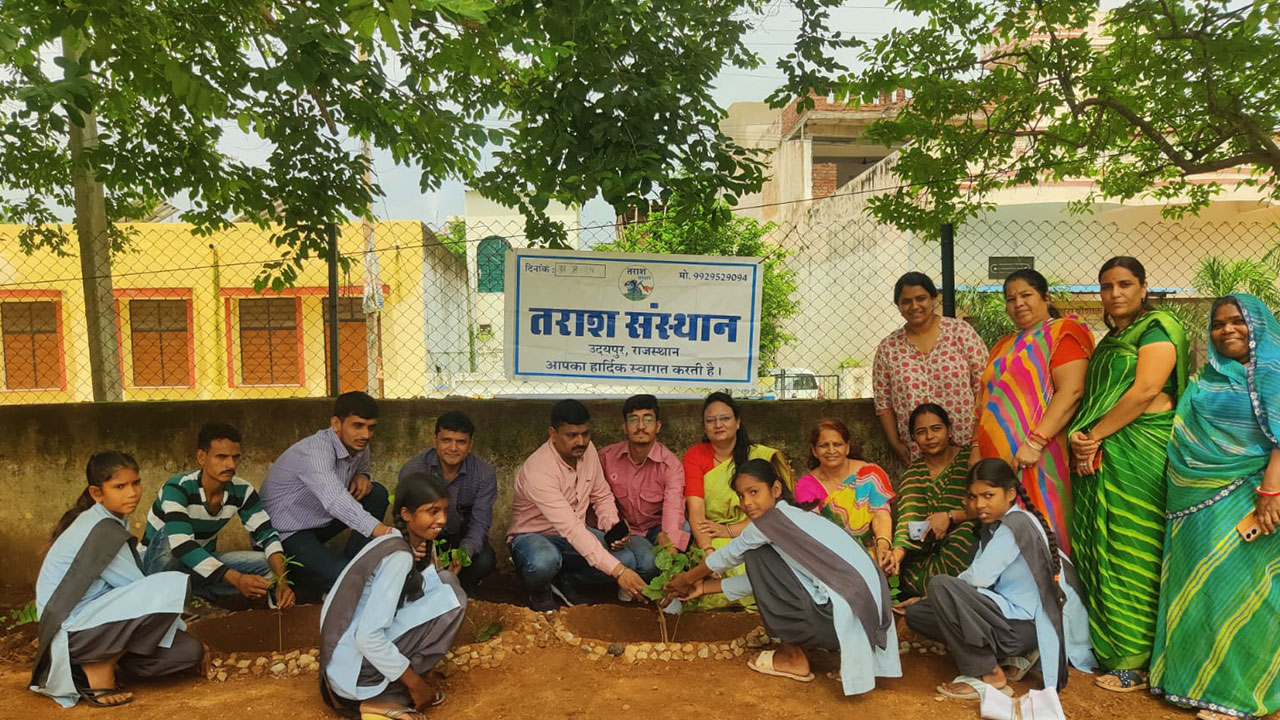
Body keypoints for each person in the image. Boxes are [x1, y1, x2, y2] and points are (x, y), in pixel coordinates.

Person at [665, 459, 901, 696]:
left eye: (754, 492)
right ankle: (852, 658)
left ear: (776, 489)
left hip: (837, 621)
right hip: (867, 621)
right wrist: (704, 588)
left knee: (755, 554)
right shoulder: (796, 518)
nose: (747, 503)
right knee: (760, 557)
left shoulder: (769, 523)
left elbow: (727, 556)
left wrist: (687, 579)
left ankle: (793, 658)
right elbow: (765, 582)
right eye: (741, 496)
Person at [1149, 294, 1280, 720]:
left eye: (1237, 321)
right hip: (1193, 505)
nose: (1227, 330)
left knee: (1245, 592)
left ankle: (1241, 697)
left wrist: (1271, 491)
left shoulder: (1273, 371)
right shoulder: (1209, 377)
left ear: (1257, 324)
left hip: (1253, 496)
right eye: (1218, 324)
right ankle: (1193, 684)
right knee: (1197, 590)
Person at [1066, 257, 1190, 692]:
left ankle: (1137, 661)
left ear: (1143, 287)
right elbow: (1097, 397)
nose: (1115, 293)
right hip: (1106, 451)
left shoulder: (1156, 328)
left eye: (1124, 284)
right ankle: (1114, 649)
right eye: (1107, 286)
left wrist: (1093, 435)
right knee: (1104, 547)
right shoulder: (1111, 340)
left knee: (1134, 546)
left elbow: (1147, 390)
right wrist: (1083, 437)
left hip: (1140, 455)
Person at [905, 459, 1095, 701]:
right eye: (973, 497)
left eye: (988, 495)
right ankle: (1012, 657)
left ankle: (989, 671)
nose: (980, 504)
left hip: (1025, 625)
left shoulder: (1015, 525)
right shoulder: (997, 525)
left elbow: (979, 578)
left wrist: (941, 594)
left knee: (940, 586)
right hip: (1007, 617)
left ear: (1011, 494)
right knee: (919, 614)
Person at [31, 452, 205, 708]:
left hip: (95, 627)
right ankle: (100, 665)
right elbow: (141, 591)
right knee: (175, 585)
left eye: (136, 483)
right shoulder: (102, 530)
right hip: (73, 633)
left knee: (187, 652)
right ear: (97, 493)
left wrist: (180, 631)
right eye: (119, 487)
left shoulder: (108, 522)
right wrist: (179, 623)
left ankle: (94, 665)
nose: (132, 493)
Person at [319, 471, 466, 720]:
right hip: (354, 675)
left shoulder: (390, 540)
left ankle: (384, 685)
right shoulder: (399, 558)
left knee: (446, 582)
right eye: (432, 511)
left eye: (444, 511)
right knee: (455, 600)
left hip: (338, 662)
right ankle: (383, 695)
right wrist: (415, 684)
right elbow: (368, 637)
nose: (442, 519)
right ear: (407, 514)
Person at [973, 268, 1094, 552]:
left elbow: (1072, 391)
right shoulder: (1002, 346)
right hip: (996, 462)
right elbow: (984, 404)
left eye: (1026, 295)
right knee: (1002, 540)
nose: (1018, 304)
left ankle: (1054, 580)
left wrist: (1036, 442)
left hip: (1039, 456)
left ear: (1045, 296)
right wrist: (976, 451)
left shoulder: (1063, 331)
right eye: (1011, 299)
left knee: (1044, 529)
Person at [507, 400, 651, 611]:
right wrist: (618, 572)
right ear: (553, 434)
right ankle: (540, 592)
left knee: (627, 559)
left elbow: (601, 495)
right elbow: (572, 529)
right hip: (532, 537)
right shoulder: (538, 471)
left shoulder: (587, 450)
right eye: (572, 435)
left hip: (573, 536)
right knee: (543, 561)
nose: (581, 441)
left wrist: (611, 525)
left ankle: (565, 581)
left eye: (585, 434)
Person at [140, 422, 296, 610]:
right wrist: (237, 579)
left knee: (268, 564)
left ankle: (197, 598)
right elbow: (181, 545)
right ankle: (160, 604)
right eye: (221, 457)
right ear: (201, 457)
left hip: (198, 567)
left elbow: (267, 535)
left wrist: (282, 581)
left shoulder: (242, 490)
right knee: (171, 535)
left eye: (235, 457)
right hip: (155, 568)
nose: (231, 465)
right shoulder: (178, 487)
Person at [261, 391, 393, 601]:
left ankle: (348, 568)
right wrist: (382, 531)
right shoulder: (316, 451)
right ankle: (333, 577)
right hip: (286, 532)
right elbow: (334, 498)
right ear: (336, 424)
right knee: (347, 578)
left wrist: (363, 476)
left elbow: (362, 470)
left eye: (371, 427)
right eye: (358, 425)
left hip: (317, 520)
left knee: (376, 492)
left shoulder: (358, 446)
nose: (366, 435)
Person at [683, 391, 792, 609]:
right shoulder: (695, 455)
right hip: (711, 534)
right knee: (719, 557)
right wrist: (707, 550)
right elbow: (696, 512)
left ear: (738, 422)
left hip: (758, 529)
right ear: (704, 426)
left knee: (753, 558)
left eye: (725, 418)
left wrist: (730, 530)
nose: (718, 425)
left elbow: (775, 511)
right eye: (710, 420)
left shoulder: (759, 456)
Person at [873, 272, 988, 463]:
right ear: (898, 306)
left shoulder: (961, 333)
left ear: (934, 299)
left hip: (967, 444)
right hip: (918, 451)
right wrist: (895, 443)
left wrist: (976, 441)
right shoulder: (888, 348)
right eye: (906, 301)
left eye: (921, 298)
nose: (914, 306)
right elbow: (883, 403)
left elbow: (984, 387)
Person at [886, 404, 978, 604]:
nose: (930, 437)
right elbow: (908, 522)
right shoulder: (913, 473)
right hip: (924, 553)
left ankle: (934, 597)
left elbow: (988, 507)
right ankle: (932, 596)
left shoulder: (970, 462)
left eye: (936, 429)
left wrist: (949, 517)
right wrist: (896, 555)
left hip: (961, 542)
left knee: (967, 536)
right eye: (921, 432)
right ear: (913, 438)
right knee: (905, 571)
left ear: (949, 430)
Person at [397, 410, 498, 593]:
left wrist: (463, 554)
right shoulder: (413, 470)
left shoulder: (484, 474)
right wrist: (417, 545)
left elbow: (480, 523)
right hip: (424, 536)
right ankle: (418, 588)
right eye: (446, 440)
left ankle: (463, 588)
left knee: (484, 560)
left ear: (470, 444)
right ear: (435, 440)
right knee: (408, 557)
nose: (453, 448)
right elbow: (404, 516)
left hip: (461, 538)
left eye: (461, 442)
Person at [598, 394, 691, 588]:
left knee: (683, 529)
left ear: (658, 426)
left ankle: (659, 584)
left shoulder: (670, 465)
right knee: (648, 564)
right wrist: (612, 529)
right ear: (624, 427)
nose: (641, 426)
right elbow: (597, 498)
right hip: (626, 530)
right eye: (633, 420)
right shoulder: (606, 458)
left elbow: (673, 509)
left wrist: (669, 562)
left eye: (648, 419)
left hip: (655, 528)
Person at [794, 418, 895, 567]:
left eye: (837, 444)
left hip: (872, 557)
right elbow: (814, 532)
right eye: (823, 445)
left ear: (847, 447)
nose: (831, 451)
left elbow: (881, 515)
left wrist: (883, 546)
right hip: (828, 560)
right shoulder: (806, 485)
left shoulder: (870, 475)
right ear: (814, 451)